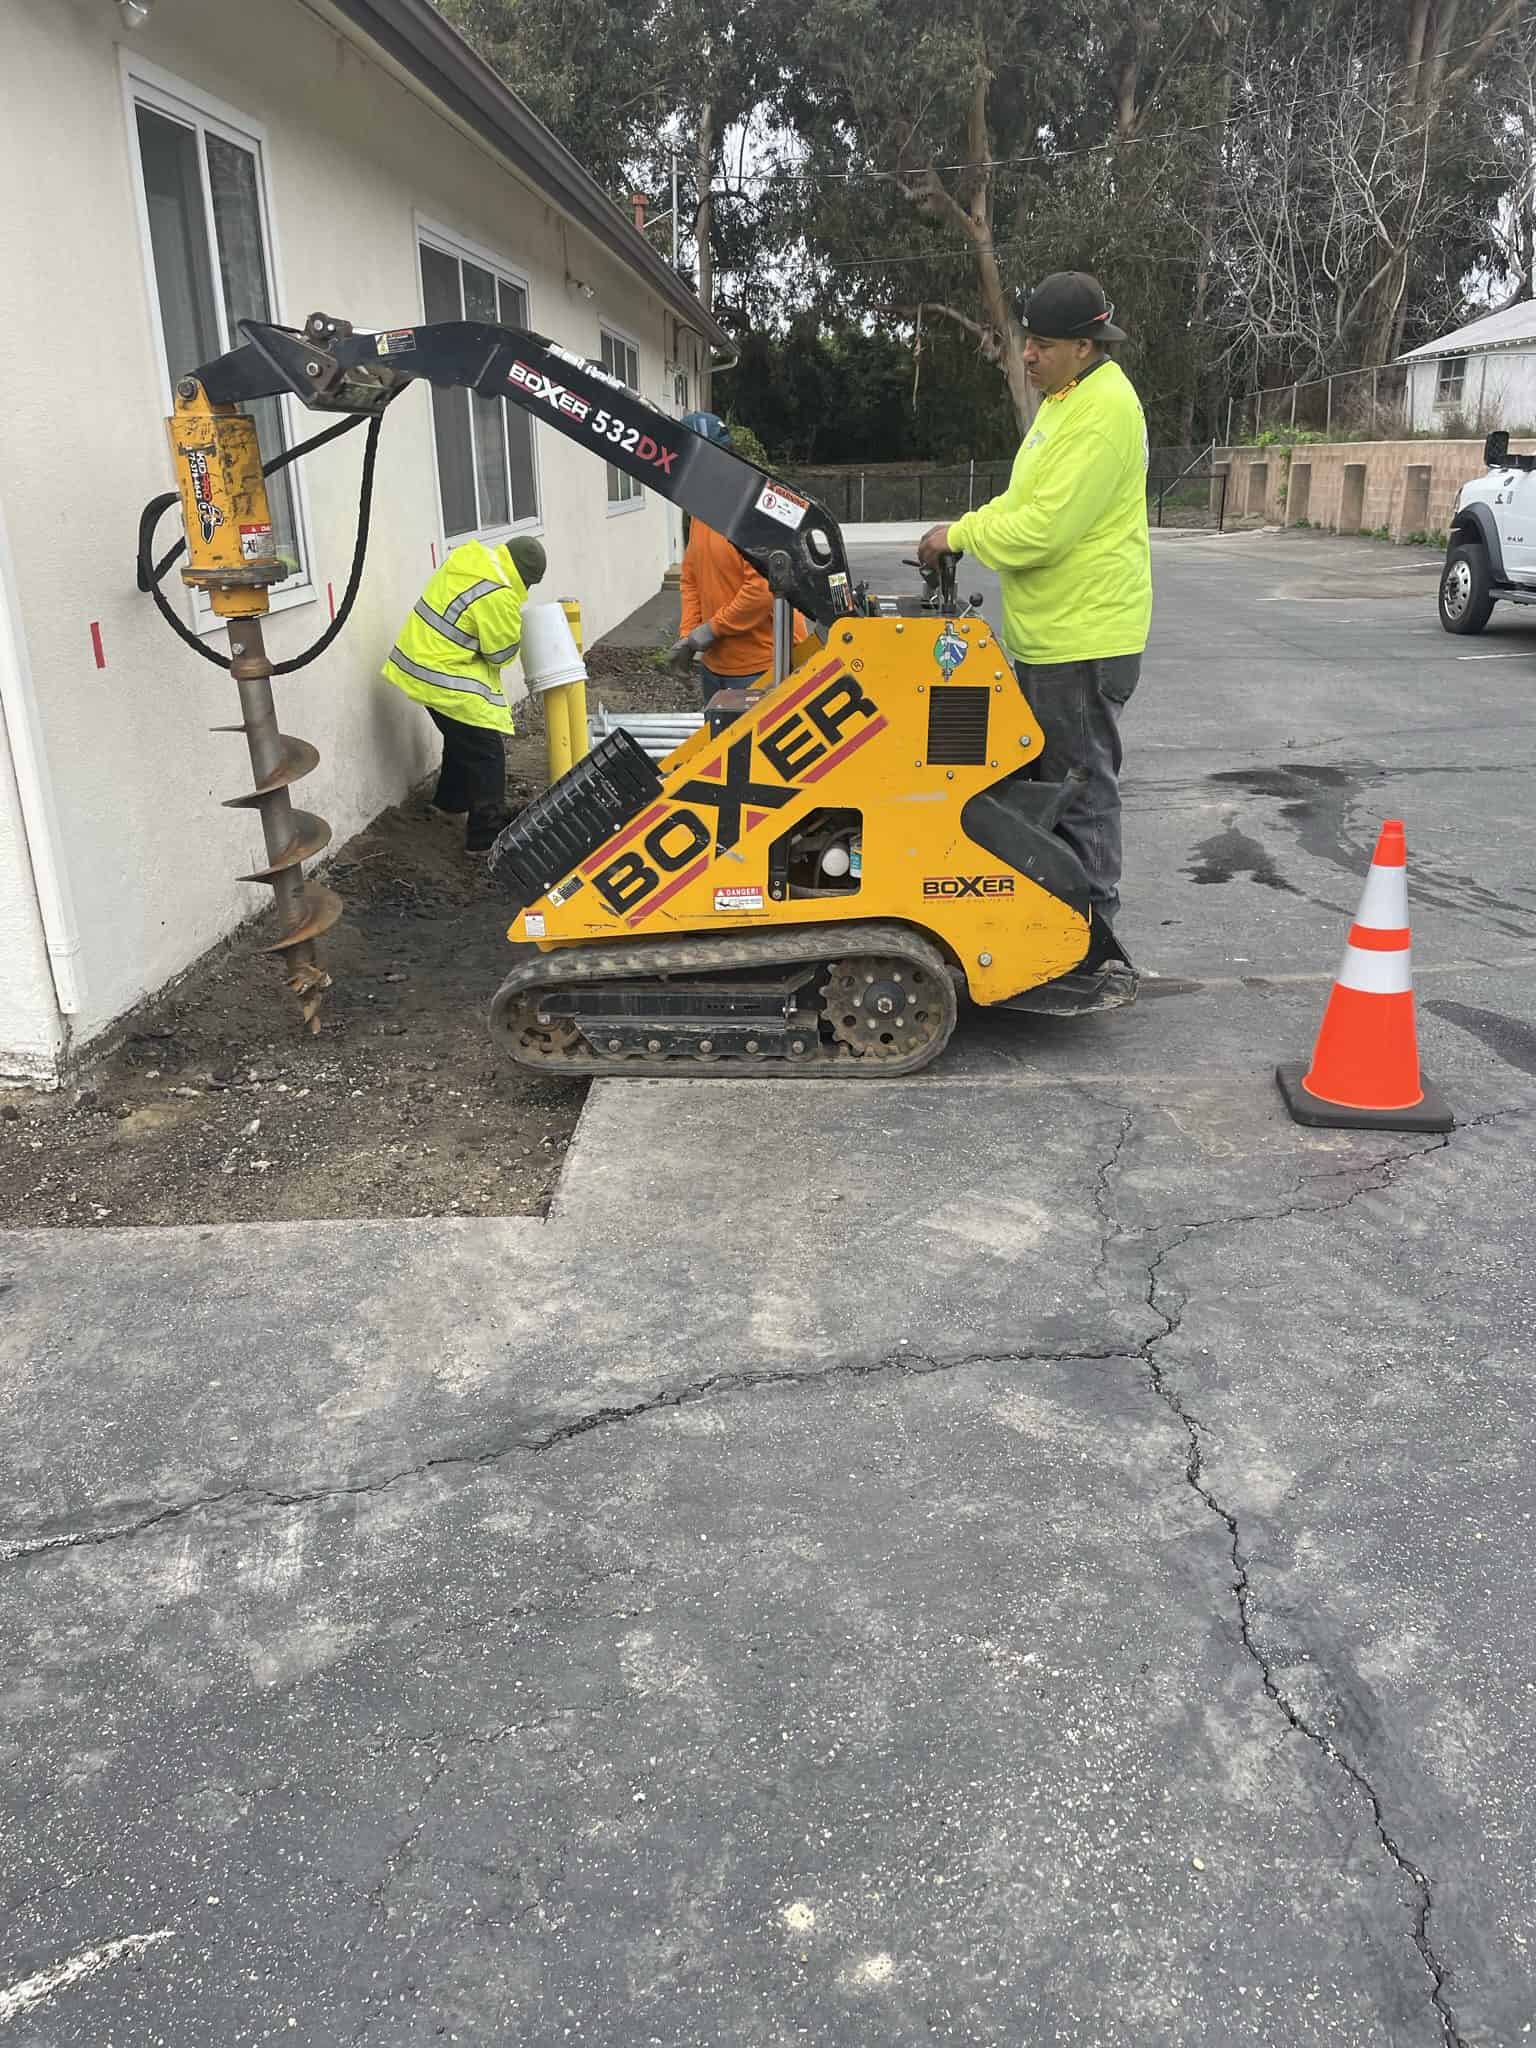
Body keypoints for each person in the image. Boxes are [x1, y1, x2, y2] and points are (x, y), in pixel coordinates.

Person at [917, 272, 1151, 946]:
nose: (1026, 354)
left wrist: (958, 537)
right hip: (1051, 635)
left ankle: (1090, 931)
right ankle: (1053, 916)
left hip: (1081, 638)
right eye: (1027, 341)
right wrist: (962, 523)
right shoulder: (1065, 398)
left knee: (1078, 787)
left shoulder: (1103, 412)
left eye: (1041, 345)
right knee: (1051, 781)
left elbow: (1043, 529)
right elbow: (1021, 501)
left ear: (1084, 346)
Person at [382, 533, 547, 853]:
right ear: (525, 578)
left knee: (463, 738)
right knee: (487, 751)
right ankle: (484, 836)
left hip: (417, 663)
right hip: (441, 675)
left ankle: (449, 803)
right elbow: (501, 654)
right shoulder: (499, 595)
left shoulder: (470, 560)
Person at [667, 412, 787, 700]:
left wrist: (711, 630)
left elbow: (761, 590)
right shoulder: (702, 510)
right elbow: (691, 578)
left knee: (751, 744)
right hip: (715, 665)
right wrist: (689, 635)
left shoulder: (754, 507)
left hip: (758, 664)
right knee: (720, 743)